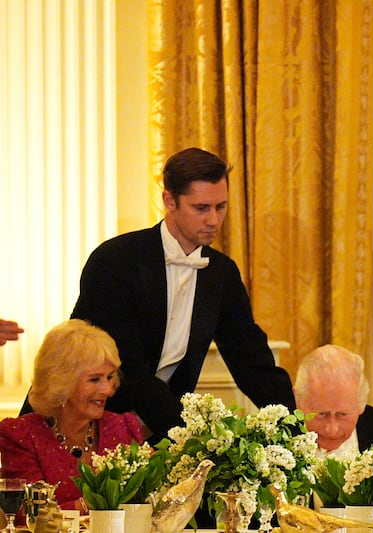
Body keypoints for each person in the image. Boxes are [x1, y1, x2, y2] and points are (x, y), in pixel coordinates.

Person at [59, 147, 294, 440]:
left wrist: (296, 429)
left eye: (220, 207)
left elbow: (251, 360)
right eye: (201, 208)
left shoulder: (221, 273)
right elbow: (127, 369)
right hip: (78, 422)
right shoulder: (115, 262)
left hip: (157, 427)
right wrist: (188, 435)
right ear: (169, 200)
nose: (213, 220)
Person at [0, 319, 142, 513]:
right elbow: (25, 513)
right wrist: (90, 503)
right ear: (62, 383)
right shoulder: (22, 435)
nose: (108, 390)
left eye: (110, 377)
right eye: (94, 379)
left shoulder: (124, 428)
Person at [294, 344, 373, 459]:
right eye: (321, 414)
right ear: (299, 401)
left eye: (342, 415)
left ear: (361, 404)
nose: (332, 429)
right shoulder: (278, 439)